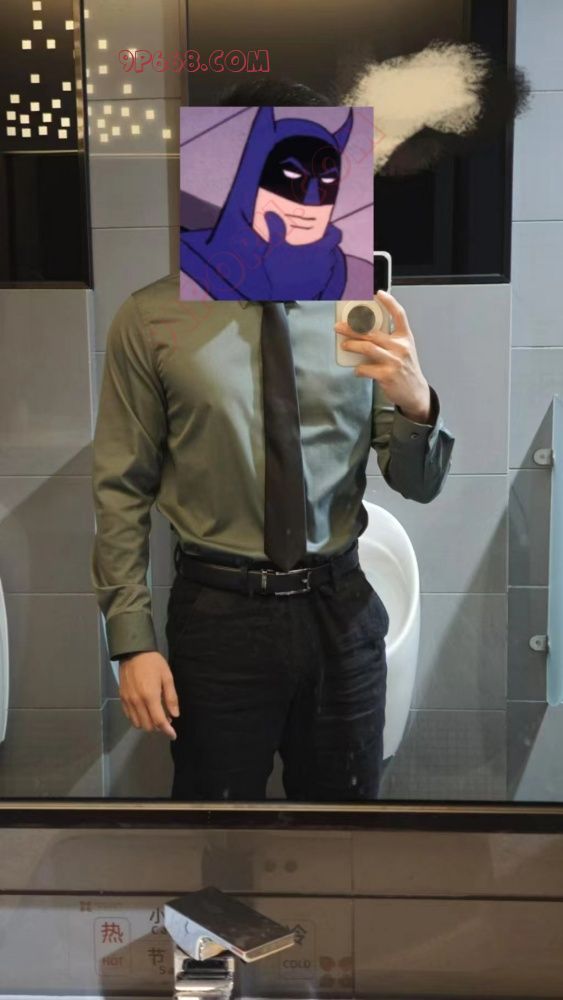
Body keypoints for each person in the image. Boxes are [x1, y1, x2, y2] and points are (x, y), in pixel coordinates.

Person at [90, 78, 455, 803]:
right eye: (284, 177)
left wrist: (416, 402)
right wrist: (130, 640)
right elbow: (120, 487)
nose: (306, 200)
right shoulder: (152, 320)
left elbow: (417, 484)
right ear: (230, 178)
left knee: (348, 832)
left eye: (325, 181)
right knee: (219, 830)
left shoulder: (361, 314)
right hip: (218, 616)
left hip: (341, 607)